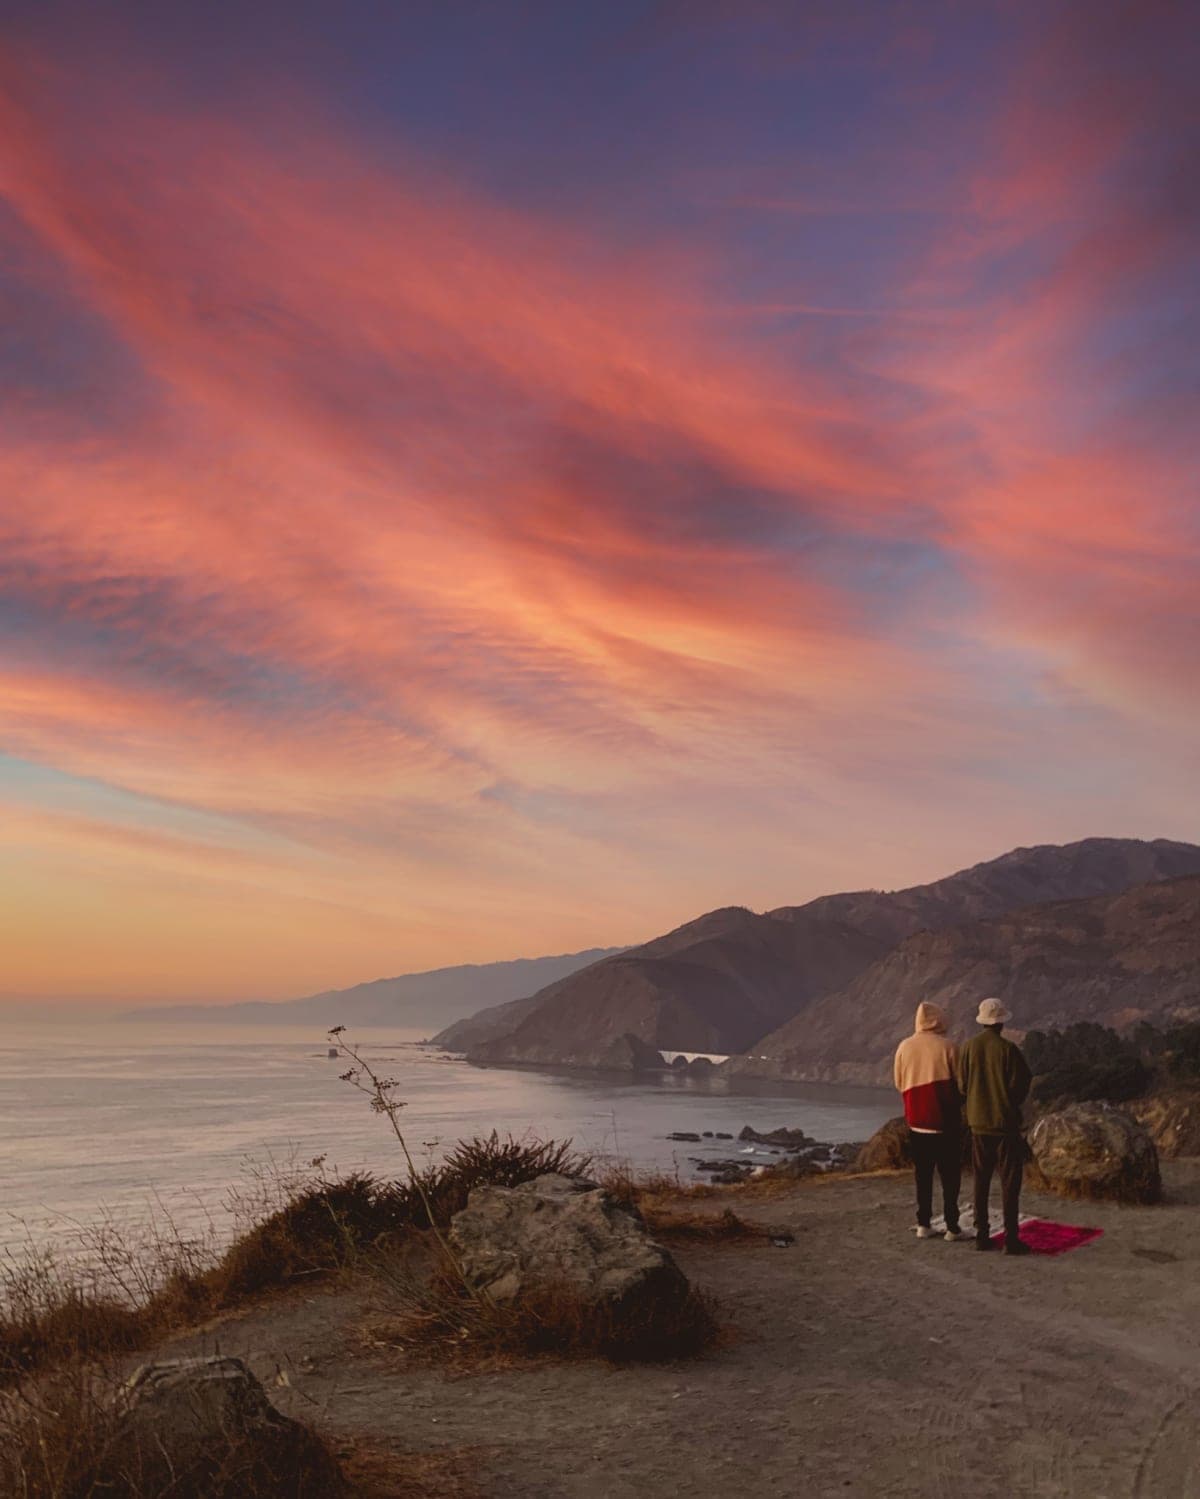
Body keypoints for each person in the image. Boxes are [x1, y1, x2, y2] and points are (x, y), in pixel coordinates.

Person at [957, 997, 1032, 1255]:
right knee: (1010, 1182)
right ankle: (1011, 1239)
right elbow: (1021, 1084)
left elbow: (962, 1086)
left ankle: (982, 1235)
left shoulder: (968, 1048)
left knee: (981, 1180)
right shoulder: (1009, 1050)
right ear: (1001, 1023)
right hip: (1005, 1126)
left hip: (978, 1124)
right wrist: (1008, 1103)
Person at [893, 1001, 965, 1242]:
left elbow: (899, 1083)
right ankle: (952, 1226)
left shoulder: (904, 1047)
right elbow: (962, 1084)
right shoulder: (949, 1047)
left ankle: (923, 1223)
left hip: (917, 1122)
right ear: (939, 1020)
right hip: (946, 1122)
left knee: (922, 1176)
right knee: (950, 1177)